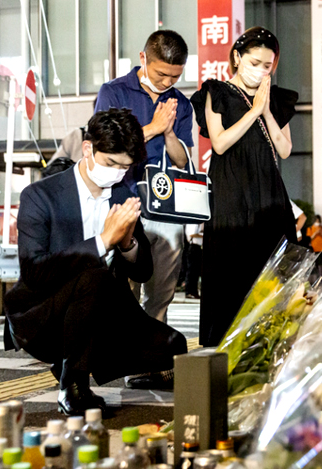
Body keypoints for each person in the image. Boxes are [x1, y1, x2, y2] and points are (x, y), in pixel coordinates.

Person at [3, 109, 187, 415]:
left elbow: (142, 272)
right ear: (88, 148)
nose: (116, 172)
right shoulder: (40, 195)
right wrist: (103, 240)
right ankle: (72, 385)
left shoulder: (122, 195)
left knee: (172, 346)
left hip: (100, 312)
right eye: (111, 163)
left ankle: (87, 356)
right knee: (93, 274)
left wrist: (127, 242)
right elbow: (35, 272)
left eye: (124, 167)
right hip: (45, 312)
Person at [191, 27, 298, 347]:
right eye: (255, 62)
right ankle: (225, 350)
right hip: (231, 195)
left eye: (268, 65)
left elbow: (284, 149)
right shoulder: (216, 92)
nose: (261, 70)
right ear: (237, 58)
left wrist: (265, 110)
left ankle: (270, 348)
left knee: (272, 271)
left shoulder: (275, 99)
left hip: (269, 196)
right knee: (230, 272)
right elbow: (220, 143)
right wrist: (253, 111)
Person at [94, 30, 194, 324]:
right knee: (124, 287)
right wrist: (152, 127)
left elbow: (181, 159)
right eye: (162, 74)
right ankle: (122, 359)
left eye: (175, 77)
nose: (167, 82)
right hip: (121, 199)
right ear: (143, 58)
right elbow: (105, 146)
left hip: (166, 204)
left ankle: (151, 360)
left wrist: (170, 132)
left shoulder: (181, 104)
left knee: (162, 290)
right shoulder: (113, 92)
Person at [307, 215, 322, 283]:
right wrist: (315, 233)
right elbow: (309, 238)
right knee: (316, 265)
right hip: (314, 248)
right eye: (316, 220)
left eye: (318, 220)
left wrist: (320, 232)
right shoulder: (310, 228)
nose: (317, 222)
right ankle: (316, 280)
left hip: (321, 249)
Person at [184, 223, 203, 299]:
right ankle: (189, 291)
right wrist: (202, 235)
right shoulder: (193, 223)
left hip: (199, 247)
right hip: (194, 246)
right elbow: (192, 234)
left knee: (196, 271)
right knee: (192, 270)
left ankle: (194, 292)